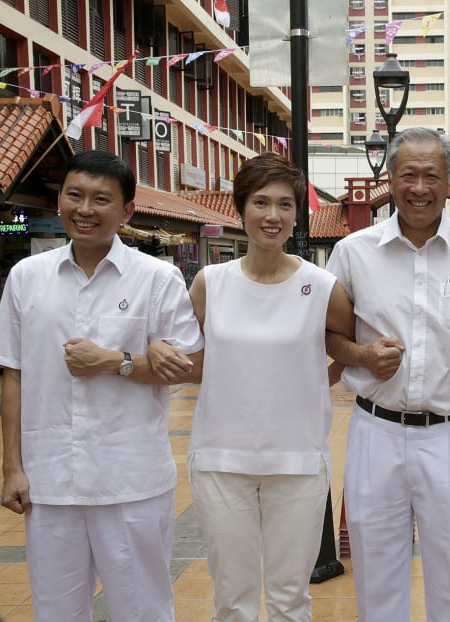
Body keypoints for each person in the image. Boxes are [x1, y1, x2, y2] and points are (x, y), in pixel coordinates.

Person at [0, 150, 204, 621]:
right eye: (74, 195)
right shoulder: (27, 278)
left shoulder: (157, 279)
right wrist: (12, 468)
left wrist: (115, 362)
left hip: (130, 479)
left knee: (143, 607)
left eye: (100, 199)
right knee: (56, 610)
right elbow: (14, 372)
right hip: (50, 481)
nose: (84, 209)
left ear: (126, 210)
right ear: (60, 199)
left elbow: (189, 365)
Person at [148, 153, 357, 621]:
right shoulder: (210, 283)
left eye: (285, 205)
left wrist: (312, 383)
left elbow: (348, 349)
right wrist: (151, 354)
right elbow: (195, 360)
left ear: (297, 214)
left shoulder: (321, 286)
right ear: (241, 209)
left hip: (298, 461)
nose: (272, 216)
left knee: (289, 598)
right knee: (233, 599)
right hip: (221, 460)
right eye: (260, 202)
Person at [325, 127, 450, 622]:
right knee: (375, 566)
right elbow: (328, 336)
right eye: (407, 174)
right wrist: (364, 356)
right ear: (389, 179)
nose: (418, 187)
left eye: (431, 175)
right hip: (376, 429)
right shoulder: (353, 252)